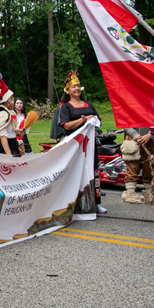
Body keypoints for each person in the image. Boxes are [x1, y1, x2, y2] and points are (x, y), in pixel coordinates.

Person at [50, 71, 107, 214]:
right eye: (73, 86)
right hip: (75, 145)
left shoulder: (89, 104)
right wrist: (84, 119)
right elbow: (66, 126)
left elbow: (98, 120)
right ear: (67, 90)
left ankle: (95, 202)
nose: (76, 89)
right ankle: (72, 203)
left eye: (78, 86)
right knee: (75, 172)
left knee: (93, 171)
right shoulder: (66, 107)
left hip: (90, 145)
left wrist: (94, 120)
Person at [121, 127, 154, 203]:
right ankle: (130, 192)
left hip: (150, 142)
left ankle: (149, 191)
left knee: (149, 168)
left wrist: (150, 135)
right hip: (131, 141)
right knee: (132, 168)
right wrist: (136, 136)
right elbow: (125, 123)